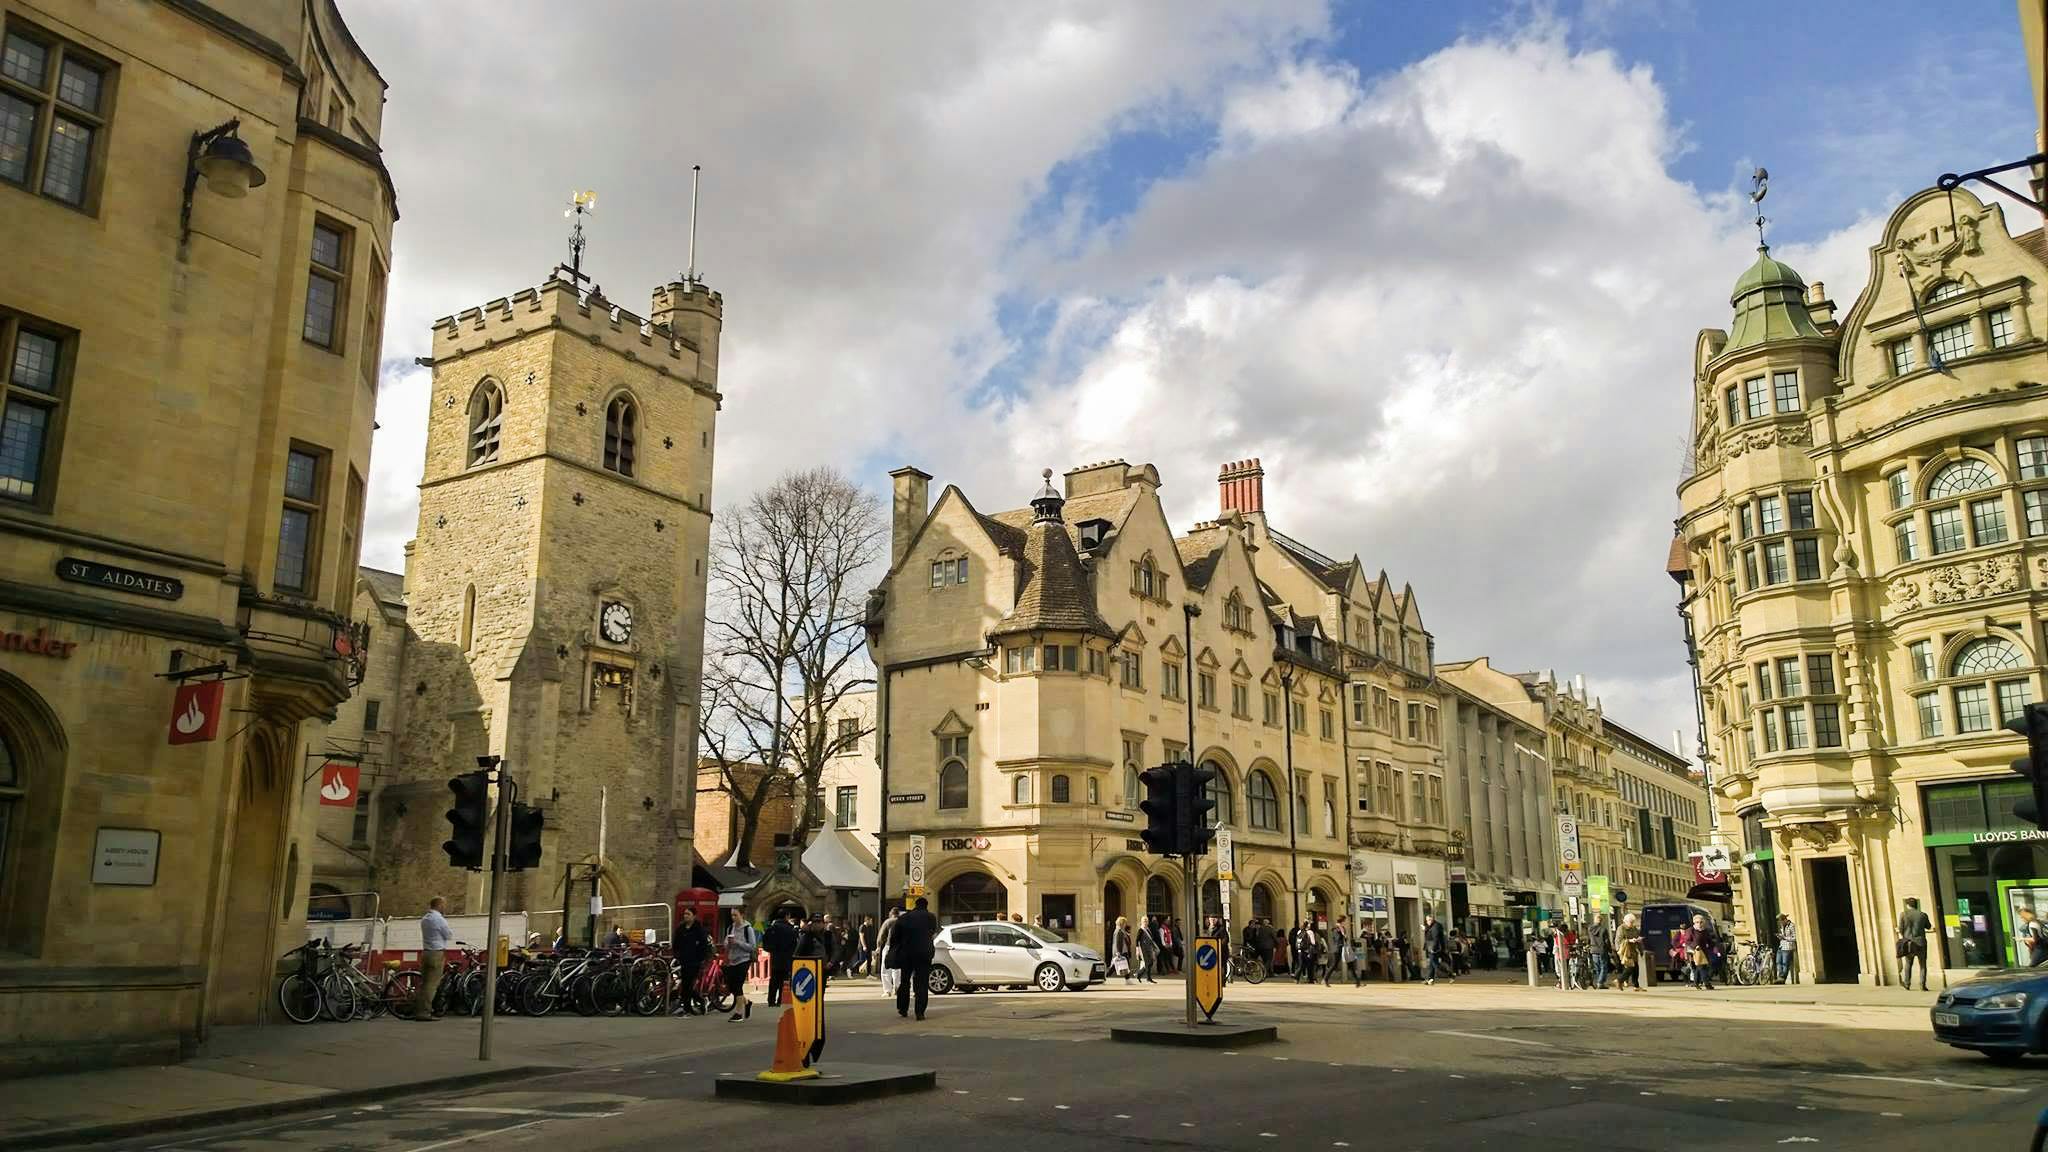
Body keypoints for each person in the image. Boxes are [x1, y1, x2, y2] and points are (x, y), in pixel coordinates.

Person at [890, 896, 939, 1020]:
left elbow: (895, 937)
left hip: (907, 953)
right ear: (926, 906)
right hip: (924, 953)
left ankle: (902, 1008)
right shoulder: (931, 917)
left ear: (915, 905)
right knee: (922, 982)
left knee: (905, 981)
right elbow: (932, 932)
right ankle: (920, 1012)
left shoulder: (904, 918)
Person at [414, 897, 453, 1021]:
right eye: (444, 905)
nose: (445, 907)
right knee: (431, 985)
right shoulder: (439, 919)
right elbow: (449, 935)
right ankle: (424, 1013)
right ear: (439, 905)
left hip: (425, 952)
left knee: (424, 984)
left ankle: (418, 1010)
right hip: (436, 953)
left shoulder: (425, 919)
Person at [673, 908, 712, 1014]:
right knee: (685, 985)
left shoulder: (698, 929)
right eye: (685, 914)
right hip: (683, 959)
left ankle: (687, 1007)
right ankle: (698, 1001)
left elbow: (704, 945)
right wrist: (676, 954)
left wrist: (701, 958)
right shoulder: (681, 928)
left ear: (694, 916)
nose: (686, 916)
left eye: (688, 914)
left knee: (688, 984)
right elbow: (676, 943)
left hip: (695, 961)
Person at [721, 908, 757, 1021]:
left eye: (735, 915)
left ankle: (738, 1013)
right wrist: (728, 943)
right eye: (732, 915)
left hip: (744, 959)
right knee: (732, 986)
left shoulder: (748, 929)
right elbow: (725, 943)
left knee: (737, 985)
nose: (733, 918)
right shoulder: (730, 928)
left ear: (742, 915)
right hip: (733, 959)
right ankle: (746, 1002)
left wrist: (737, 942)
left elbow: (752, 946)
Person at [762, 910, 799, 1006]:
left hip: (775, 957)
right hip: (787, 958)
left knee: (774, 979)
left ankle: (771, 1000)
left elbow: (765, 943)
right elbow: (795, 945)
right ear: (786, 916)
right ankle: (781, 1000)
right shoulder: (790, 929)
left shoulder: (772, 928)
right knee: (785, 980)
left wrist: (772, 950)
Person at [1897, 897, 1933, 991]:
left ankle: (1907, 983)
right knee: (1922, 964)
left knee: (1908, 963)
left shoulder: (1903, 915)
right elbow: (1928, 926)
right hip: (1921, 942)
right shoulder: (1923, 915)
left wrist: (1905, 935)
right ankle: (1922, 985)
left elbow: (1900, 928)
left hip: (1909, 942)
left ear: (1907, 905)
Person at [1616, 913, 1642, 990]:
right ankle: (1619, 980)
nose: (1632, 924)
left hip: (1633, 951)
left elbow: (1637, 938)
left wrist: (1641, 949)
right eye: (1630, 922)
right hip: (1625, 951)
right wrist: (1629, 940)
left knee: (1636, 968)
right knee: (1630, 968)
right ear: (1625, 921)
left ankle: (1636, 986)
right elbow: (1619, 940)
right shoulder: (1621, 928)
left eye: (1633, 922)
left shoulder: (1634, 929)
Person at [1587, 914, 1612, 991]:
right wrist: (1610, 949)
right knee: (1603, 967)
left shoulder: (1590, 929)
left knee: (1597, 967)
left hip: (1593, 950)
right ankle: (1600, 982)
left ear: (1595, 920)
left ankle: (1600, 982)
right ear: (1601, 921)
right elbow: (1606, 941)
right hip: (1602, 950)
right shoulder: (1603, 929)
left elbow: (1589, 939)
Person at [1422, 912, 1448, 985]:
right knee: (1431, 964)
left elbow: (1435, 938)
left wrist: (1433, 948)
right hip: (1432, 947)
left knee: (1434, 963)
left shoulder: (1436, 926)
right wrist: (1425, 929)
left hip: (1433, 947)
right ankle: (1430, 979)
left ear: (1432, 919)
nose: (1428, 922)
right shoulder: (1432, 926)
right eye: (1427, 920)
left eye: (1429, 920)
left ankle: (1450, 974)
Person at [1775, 913, 1797, 984]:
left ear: (1784, 920)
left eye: (1780, 921)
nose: (1780, 923)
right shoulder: (1782, 926)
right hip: (1781, 946)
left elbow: (1794, 938)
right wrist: (1780, 937)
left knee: (1785, 963)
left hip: (1788, 947)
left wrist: (1784, 938)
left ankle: (1782, 978)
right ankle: (1780, 977)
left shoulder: (1791, 926)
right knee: (1778, 962)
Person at [1136, 915, 1159, 983]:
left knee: (1150, 962)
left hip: (1149, 948)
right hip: (1143, 949)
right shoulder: (1141, 930)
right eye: (1144, 921)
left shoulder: (1148, 929)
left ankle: (1139, 974)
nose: (1145, 922)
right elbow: (1137, 940)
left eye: (1146, 921)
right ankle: (1148, 978)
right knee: (1148, 963)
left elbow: (1151, 939)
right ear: (1141, 922)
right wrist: (1137, 950)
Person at [1112, 916, 1135, 983]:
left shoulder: (1122, 931)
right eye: (1124, 923)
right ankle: (1127, 980)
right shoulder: (1118, 931)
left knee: (1126, 965)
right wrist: (1118, 952)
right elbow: (1117, 942)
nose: (1125, 924)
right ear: (1121, 923)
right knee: (1114, 966)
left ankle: (1127, 979)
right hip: (1121, 951)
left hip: (1124, 950)